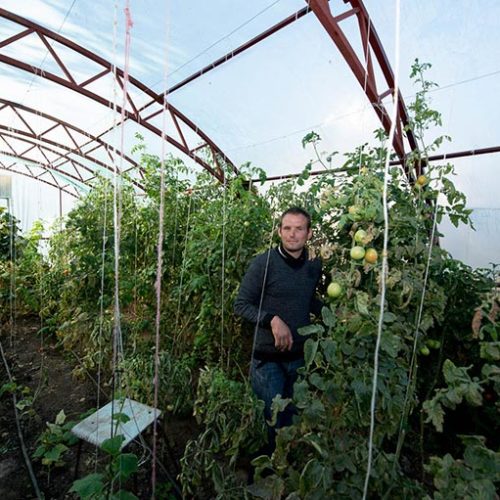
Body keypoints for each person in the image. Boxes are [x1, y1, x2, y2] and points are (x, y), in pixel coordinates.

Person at [234, 206, 322, 451]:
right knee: (269, 423)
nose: (292, 234)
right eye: (287, 228)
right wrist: (271, 319)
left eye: (299, 229)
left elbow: (307, 299)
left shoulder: (314, 265)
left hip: (300, 357)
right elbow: (241, 304)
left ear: (309, 233)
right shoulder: (265, 263)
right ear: (279, 232)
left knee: (292, 419)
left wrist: (334, 312)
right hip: (267, 361)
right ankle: (265, 474)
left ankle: (287, 472)